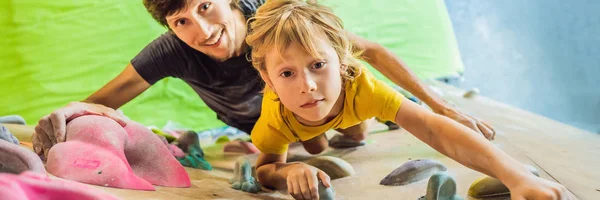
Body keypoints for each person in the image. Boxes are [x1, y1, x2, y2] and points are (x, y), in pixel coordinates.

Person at [32, 0, 495, 160]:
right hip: (255, 120)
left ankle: (345, 127)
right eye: (181, 21)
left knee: (352, 133)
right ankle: (282, 143)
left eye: (205, 7)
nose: (202, 30)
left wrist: (441, 106)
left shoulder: (272, 19)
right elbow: (104, 99)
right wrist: (60, 121)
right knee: (297, 150)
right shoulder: (171, 52)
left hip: (318, 103)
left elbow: (368, 49)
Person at [245, 1, 573, 200]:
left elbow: (435, 130)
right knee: (315, 147)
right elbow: (265, 170)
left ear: (343, 63)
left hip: (355, 104)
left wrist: (518, 177)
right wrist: (288, 172)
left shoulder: (363, 88)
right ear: (268, 80)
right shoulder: (275, 118)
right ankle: (322, 132)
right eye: (287, 74)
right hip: (301, 124)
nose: (308, 86)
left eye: (318, 65)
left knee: (358, 134)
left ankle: (386, 112)